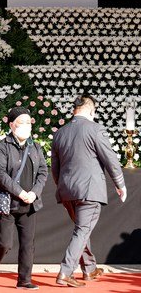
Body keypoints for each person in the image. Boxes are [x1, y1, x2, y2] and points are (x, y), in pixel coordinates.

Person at [51, 94, 127, 287]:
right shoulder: (95, 129)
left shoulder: (60, 133)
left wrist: (62, 185)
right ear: (92, 110)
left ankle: (90, 269)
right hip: (89, 189)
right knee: (82, 231)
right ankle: (66, 272)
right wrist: (120, 184)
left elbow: (55, 168)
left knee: (81, 230)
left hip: (67, 190)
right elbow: (110, 159)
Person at [0, 106, 48, 290]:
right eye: (22, 123)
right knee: (4, 243)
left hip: (29, 203)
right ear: (12, 125)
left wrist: (34, 192)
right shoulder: (2, 147)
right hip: (7, 202)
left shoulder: (35, 146)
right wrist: (20, 192)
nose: (27, 127)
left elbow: (43, 171)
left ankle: (24, 280)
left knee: (28, 244)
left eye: (29, 123)